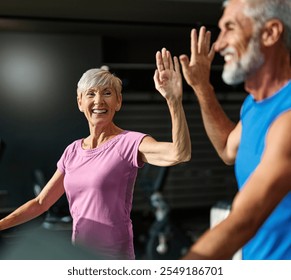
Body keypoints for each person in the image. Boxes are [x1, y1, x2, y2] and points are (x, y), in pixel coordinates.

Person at [0, 48, 191, 260]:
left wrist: (174, 101)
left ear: (118, 102)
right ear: (80, 102)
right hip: (80, 257)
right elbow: (40, 203)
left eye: (107, 93)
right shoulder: (72, 151)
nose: (99, 101)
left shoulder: (129, 143)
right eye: (91, 94)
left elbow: (179, 154)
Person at [179, 0, 291, 260]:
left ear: (271, 33)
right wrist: (201, 86)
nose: (218, 45)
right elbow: (227, 149)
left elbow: (244, 220)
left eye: (230, 28)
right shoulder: (253, 105)